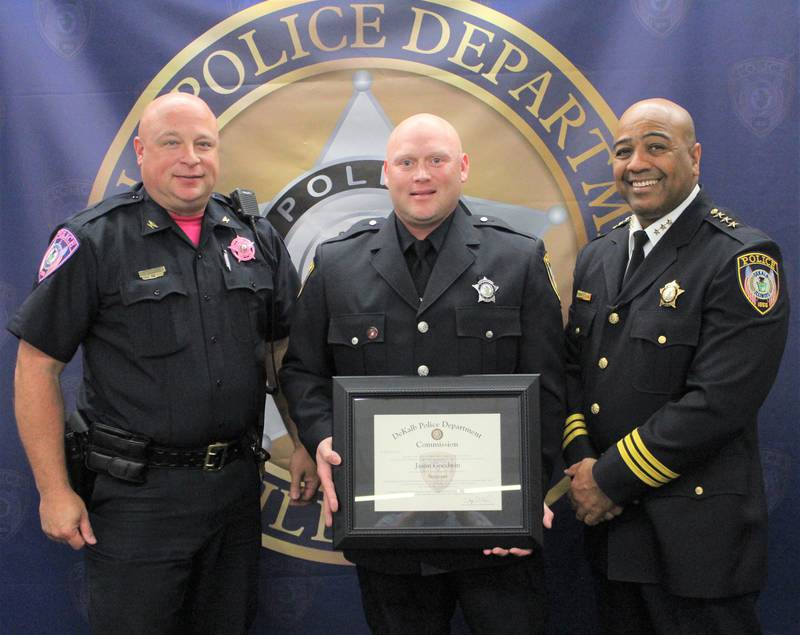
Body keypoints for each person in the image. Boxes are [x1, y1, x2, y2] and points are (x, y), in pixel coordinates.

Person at [9, 92, 318, 634]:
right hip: (138, 500)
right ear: (140, 152)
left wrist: (300, 441)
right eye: (171, 143)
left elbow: (279, 351)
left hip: (234, 490)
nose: (190, 159)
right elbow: (37, 366)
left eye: (203, 144)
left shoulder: (253, 235)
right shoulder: (93, 241)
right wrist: (54, 490)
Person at [280, 113, 565, 634]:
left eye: (436, 160)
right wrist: (321, 437)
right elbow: (303, 373)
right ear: (385, 172)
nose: (421, 175)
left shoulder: (517, 259)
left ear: (463, 167)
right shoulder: (337, 263)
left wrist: (526, 500)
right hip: (390, 535)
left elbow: (547, 388)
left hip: (494, 533)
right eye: (407, 162)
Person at [563, 98, 789, 633]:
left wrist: (608, 480)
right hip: (613, 535)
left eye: (656, 146)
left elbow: (719, 403)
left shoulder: (740, 257)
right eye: (623, 151)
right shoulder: (601, 254)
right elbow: (575, 370)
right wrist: (581, 462)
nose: (637, 163)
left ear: (695, 157)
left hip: (695, 537)